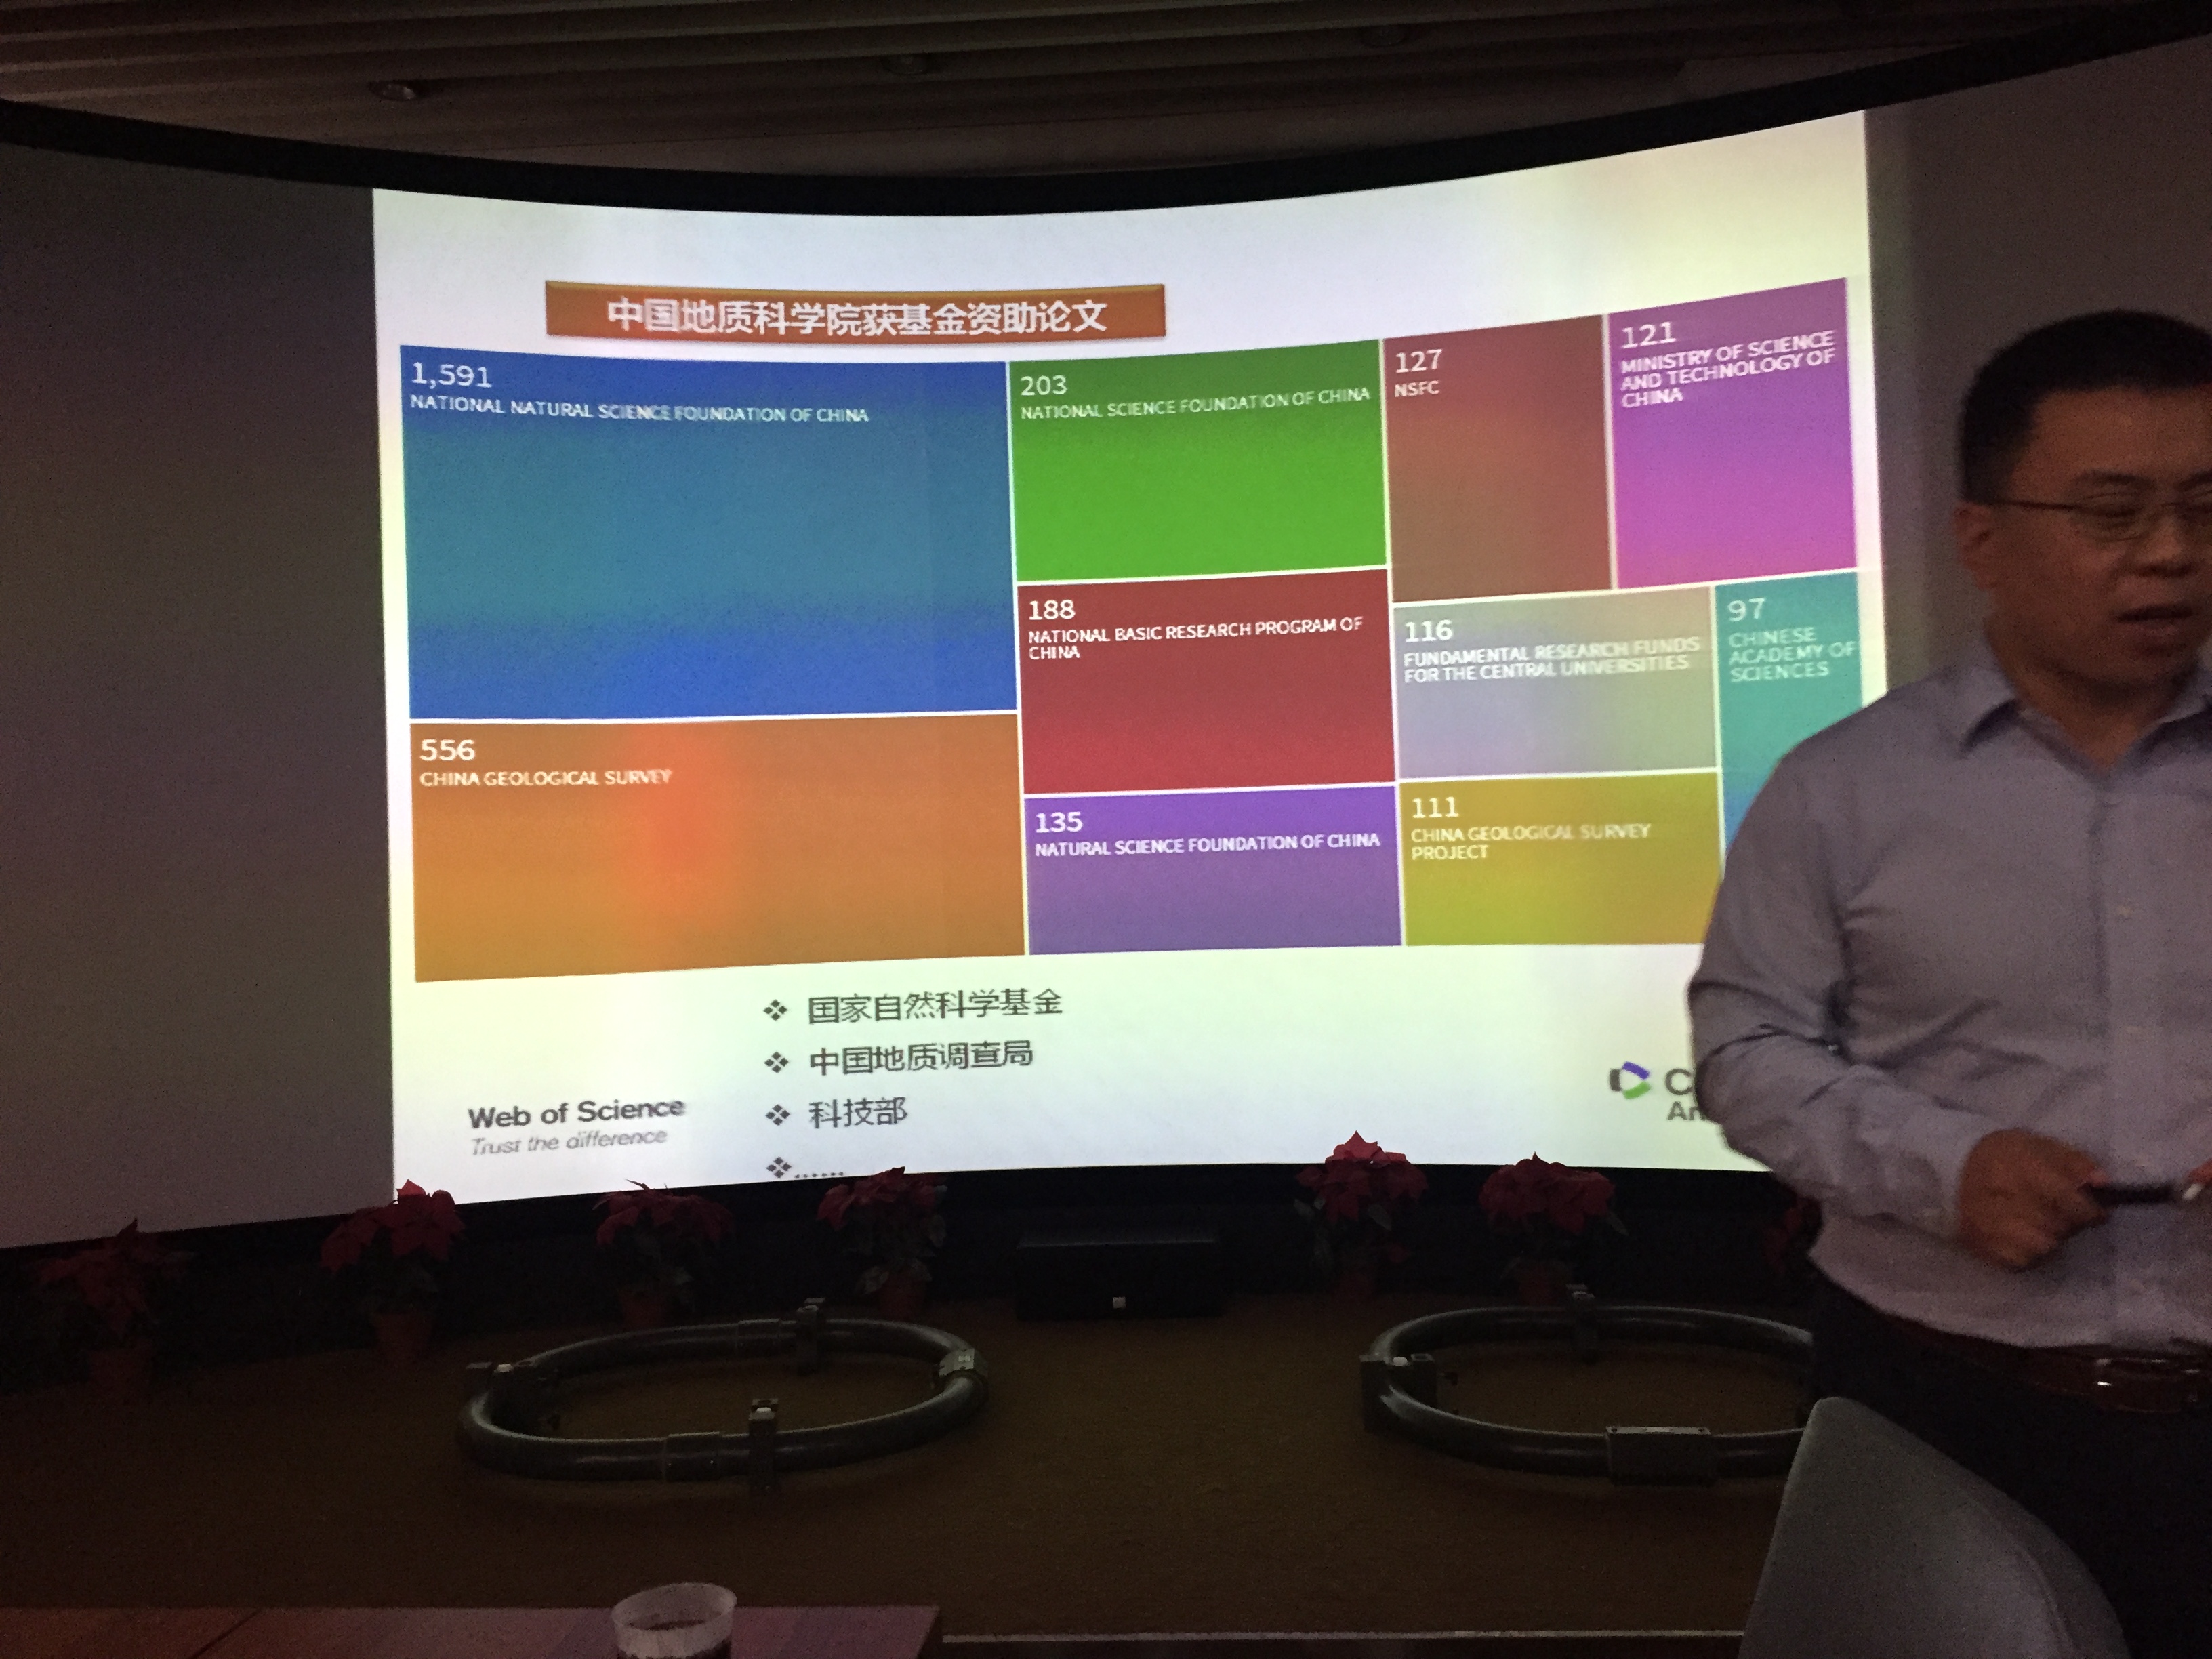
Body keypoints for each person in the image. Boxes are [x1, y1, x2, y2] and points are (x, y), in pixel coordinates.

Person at [1691, 309, 2212, 1658]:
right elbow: (1746, 1045)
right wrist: (1944, 1164)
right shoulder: (1844, 789)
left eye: (2204, 508)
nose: (2170, 551)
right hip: (1946, 1406)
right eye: (2113, 512)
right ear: (1982, 538)